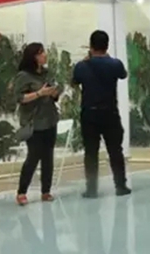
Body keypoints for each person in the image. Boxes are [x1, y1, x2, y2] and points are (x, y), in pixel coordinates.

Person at [72, 30, 131, 198]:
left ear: (91, 46)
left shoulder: (82, 66)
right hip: (110, 113)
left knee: (91, 152)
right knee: (115, 150)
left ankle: (91, 189)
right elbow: (123, 75)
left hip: (89, 114)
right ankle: (120, 186)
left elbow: (74, 81)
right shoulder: (115, 64)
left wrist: (87, 59)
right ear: (107, 45)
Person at [14, 42, 62, 206]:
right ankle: (22, 192)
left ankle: (46, 191)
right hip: (34, 123)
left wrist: (54, 93)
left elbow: (54, 95)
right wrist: (39, 93)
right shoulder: (23, 76)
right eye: (41, 53)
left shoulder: (47, 73)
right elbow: (20, 98)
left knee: (48, 157)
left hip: (50, 119)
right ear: (33, 57)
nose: (44, 55)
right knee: (33, 157)